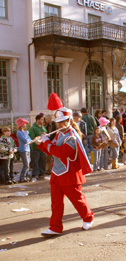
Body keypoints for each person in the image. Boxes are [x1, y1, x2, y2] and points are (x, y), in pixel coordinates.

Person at [35, 93, 94, 237]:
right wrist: (40, 144)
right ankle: (55, 227)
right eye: (58, 123)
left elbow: (61, 152)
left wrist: (46, 142)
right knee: (56, 203)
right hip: (57, 173)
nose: (59, 125)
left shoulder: (72, 136)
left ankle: (88, 217)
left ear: (68, 121)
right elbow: (52, 152)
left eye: (62, 122)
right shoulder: (59, 134)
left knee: (77, 200)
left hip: (70, 174)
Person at [28, 114, 48, 179]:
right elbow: (32, 138)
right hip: (36, 148)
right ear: (38, 119)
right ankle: (35, 173)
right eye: (42, 119)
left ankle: (42, 173)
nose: (43, 120)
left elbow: (46, 135)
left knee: (43, 161)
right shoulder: (33, 128)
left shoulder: (43, 127)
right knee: (35, 161)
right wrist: (38, 138)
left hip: (43, 147)